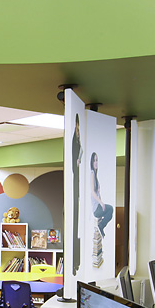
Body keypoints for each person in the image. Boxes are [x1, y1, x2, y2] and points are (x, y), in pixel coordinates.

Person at [90, 152, 113, 238]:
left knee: (110, 211)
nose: (96, 162)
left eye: (97, 160)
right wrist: (101, 203)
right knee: (110, 209)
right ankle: (101, 226)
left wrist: (101, 202)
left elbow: (98, 193)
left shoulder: (95, 175)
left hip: (98, 206)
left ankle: (101, 226)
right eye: (94, 160)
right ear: (92, 162)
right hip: (96, 209)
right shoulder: (92, 174)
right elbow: (93, 192)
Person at [71, 116, 82, 275]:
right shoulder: (74, 144)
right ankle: (75, 263)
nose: (79, 131)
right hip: (76, 186)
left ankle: (77, 263)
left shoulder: (80, 143)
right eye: (77, 128)